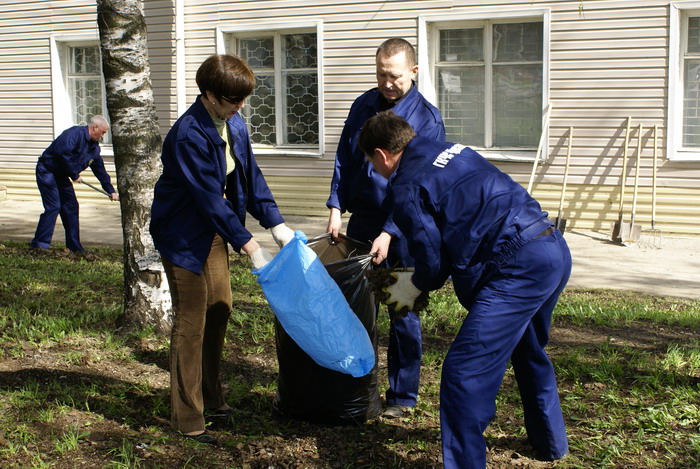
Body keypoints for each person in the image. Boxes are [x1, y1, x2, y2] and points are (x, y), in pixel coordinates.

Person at [359, 111, 570, 469]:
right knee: (528, 349)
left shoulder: (406, 184)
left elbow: (433, 263)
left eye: (372, 164)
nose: (375, 171)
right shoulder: (454, 150)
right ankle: (550, 443)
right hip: (552, 249)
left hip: (515, 269)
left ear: (381, 155)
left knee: (463, 373)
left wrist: (409, 287)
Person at [149, 54, 295, 445]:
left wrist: (275, 223)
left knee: (221, 308)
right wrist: (249, 245)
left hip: (213, 230)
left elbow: (250, 175)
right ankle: (188, 416)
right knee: (191, 319)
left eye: (243, 99)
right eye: (233, 100)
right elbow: (208, 201)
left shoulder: (234, 123)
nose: (240, 107)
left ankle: (212, 398)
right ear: (209, 95)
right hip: (182, 233)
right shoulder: (189, 134)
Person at [326, 37, 445, 419]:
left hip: (404, 230)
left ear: (413, 71)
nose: (387, 83)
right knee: (355, 305)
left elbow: (419, 184)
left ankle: (402, 396)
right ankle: (353, 385)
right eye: (381, 74)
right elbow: (345, 157)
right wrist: (335, 206)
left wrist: (391, 230)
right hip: (362, 223)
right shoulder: (363, 105)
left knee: (402, 310)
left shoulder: (427, 118)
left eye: (394, 76)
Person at [30, 115, 118, 254]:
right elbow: (62, 154)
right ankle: (39, 245)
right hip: (47, 171)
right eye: (103, 132)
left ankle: (74, 247)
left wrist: (110, 190)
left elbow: (100, 169)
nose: (102, 136)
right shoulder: (73, 134)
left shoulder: (93, 147)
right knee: (54, 206)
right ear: (95, 127)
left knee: (71, 207)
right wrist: (74, 174)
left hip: (62, 175)